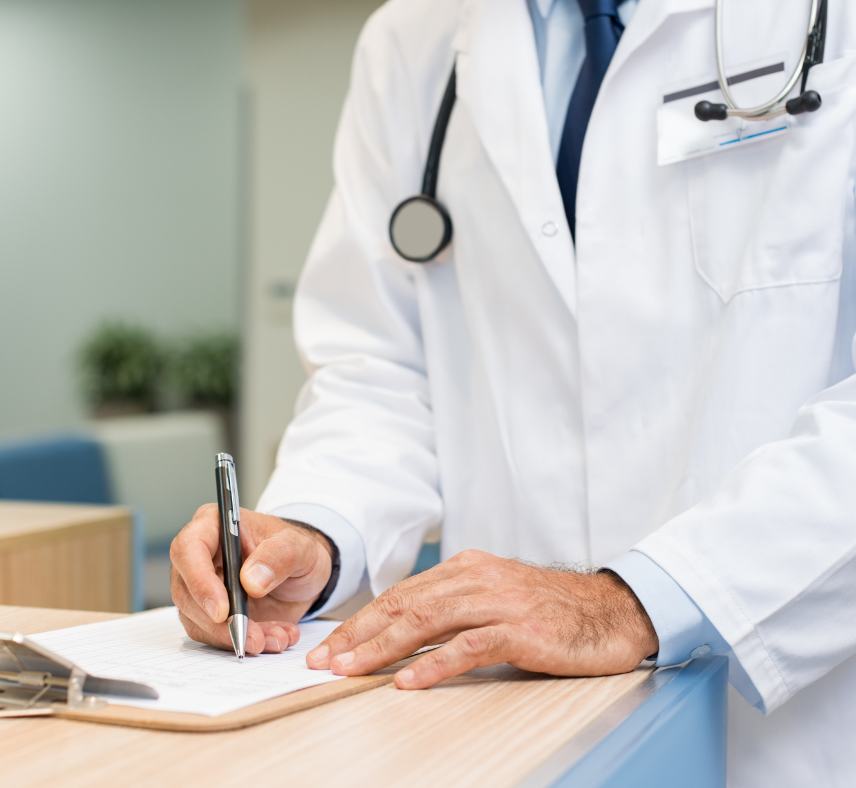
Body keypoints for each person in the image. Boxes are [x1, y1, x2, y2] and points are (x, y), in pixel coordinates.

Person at [171, 0, 856, 784]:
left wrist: (630, 601)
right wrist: (316, 534)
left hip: (801, 725)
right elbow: (378, 365)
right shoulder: (413, 40)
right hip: (508, 728)